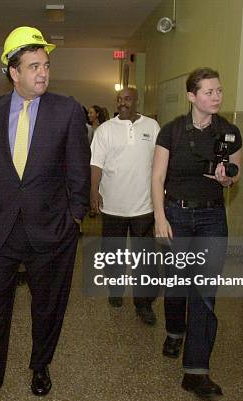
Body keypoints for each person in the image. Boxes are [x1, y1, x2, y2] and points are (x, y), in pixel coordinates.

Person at [0, 26, 90, 401]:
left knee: (47, 306)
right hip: (2, 227)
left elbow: (79, 170)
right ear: (13, 72)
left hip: (51, 228)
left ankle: (40, 364)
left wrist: (75, 216)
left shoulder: (66, 110)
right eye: (34, 66)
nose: (43, 73)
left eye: (46, 65)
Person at [151, 67, 241, 398]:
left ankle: (196, 371)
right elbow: (157, 177)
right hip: (176, 212)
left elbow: (234, 174)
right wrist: (160, 217)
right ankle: (175, 330)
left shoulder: (229, 132)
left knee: (204, 292)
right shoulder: (172, 131)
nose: (216, 96)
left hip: (211, 218)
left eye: (219, 91)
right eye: (208, 92)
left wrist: (226, 178)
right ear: (192, 96)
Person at [90, 87, 160, 323]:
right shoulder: (105, 130)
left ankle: (144, 304)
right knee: (113, 254)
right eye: (119, 99)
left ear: (137, 101)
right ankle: (115, 290)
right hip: (112, 205)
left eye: (127, 99)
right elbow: (96, 165)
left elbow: (160, 164)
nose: (122, 103)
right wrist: (93, 193)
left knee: (145, 258)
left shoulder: (151, 127)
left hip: (144, 206)